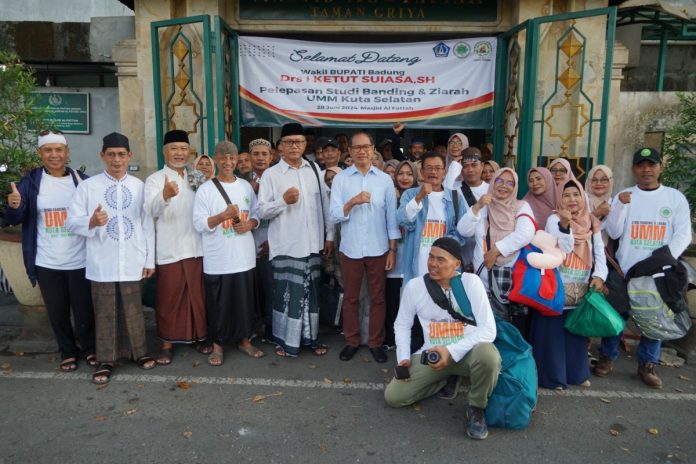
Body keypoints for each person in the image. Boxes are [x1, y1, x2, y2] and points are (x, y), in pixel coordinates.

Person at [593, 148, 692, 388]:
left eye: (651, 164)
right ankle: (607, 357)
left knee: (654, 319)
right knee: (616, 315)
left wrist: (664, 260)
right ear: (633, 169)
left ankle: (647, 364)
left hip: (659, 273)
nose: (646, 169)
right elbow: (614, 232)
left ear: (660, 167)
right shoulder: (625, 195)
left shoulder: (674, 198)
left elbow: (683, 234)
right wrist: (621, 207)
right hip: (626, 270)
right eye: (641, 165)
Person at [384, 237, 501, 440]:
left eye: (440, 259)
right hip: (432, 356)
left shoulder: (470, 283)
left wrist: (451, 351)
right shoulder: (415, 287)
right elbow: (402, 324)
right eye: (431, 257)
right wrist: (403, 357)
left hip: (467, 354)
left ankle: (476, 408)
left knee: (489, 356)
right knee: (394, 396)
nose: (433, 264)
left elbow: (489, 330)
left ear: (456, 264)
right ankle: (447, 377)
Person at [66, 132, 157, 384]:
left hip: (132, 258)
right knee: (105, 311)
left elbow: (147, 225)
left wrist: (150, 260)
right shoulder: (88, 187)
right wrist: (91, 221)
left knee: (133, 310)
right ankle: (106, 360)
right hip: (101, 260)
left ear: (130, 156)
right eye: (111, 155)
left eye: (121, 155)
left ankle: (139, 353)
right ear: (102, 156)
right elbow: (71, 222)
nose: (116, 160)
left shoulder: (139, 187)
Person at [5, 130, 95, 372]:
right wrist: (14, 206)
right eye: (48, 150)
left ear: (67, 152)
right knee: (58, 311)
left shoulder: (82, 180)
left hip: (81, 259)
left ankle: (88, 349)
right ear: (40, 154)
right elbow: (14, 218)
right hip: (47, 260)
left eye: (58, 150)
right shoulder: (30, 182)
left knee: (85, 309)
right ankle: (68, 351)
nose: (54, 155)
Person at [257, 123, 334, 358]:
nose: (294, 146)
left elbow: (326, 205)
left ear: (304, 145)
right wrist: (283, 201)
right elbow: (261, 212)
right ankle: (284, 340)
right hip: (287, 244)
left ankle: (311, 339)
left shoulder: (314, 170)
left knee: (311, 294)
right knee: (286, 294)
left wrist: (329, 236)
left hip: (312, 244)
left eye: (298, 142)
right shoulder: (271, 174)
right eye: (289, 142)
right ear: (280, 147)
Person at [330, 131, 400, 363]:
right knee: (351, 297)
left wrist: (392, 249)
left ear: (373, 150)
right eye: (357, 147)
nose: (362, 151)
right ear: (349, 151)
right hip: (350, 248)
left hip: (379, 248)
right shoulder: (341, 179)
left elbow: (391, 217)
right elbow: (334, 215)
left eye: (366, 147)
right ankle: (351, 341)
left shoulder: (384, 180)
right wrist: (352, 202)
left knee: (377, 298)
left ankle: (375, 342)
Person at [529, 178, 607, 390]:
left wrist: (599, 275)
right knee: (553, 334)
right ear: (559, 198)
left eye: (576, 195)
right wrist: (565, 225)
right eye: (566, 195)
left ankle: (577, 374)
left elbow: (599, 252)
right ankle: (553, 378)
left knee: (576, 333)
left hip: (580, 285)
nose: (572, 199)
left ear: (583, 197)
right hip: (557, 285)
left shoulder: (591, 221)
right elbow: (564, 246)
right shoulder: (554, 219)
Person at [193, 140, 263, 366]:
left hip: (244, 257)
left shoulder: (245, 186)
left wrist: (250, 224)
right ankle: (218, 346)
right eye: (223, 158)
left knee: (245, 303)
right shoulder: (205, 189)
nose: (228, 162)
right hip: (218, 259)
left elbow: (256, 214)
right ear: (215, 159)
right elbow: (199, 224)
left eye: (232, 158)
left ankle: (245, 341)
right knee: (218, 304)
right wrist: (222, 216)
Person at [144, 130, 207, 365]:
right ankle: (167, 343)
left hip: (196, 247)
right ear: (164, 152)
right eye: (174, 148)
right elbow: (149, 211)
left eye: (183, 149)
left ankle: (198, 337)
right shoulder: (154, 179)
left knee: (197, 297)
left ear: (189, 152)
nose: (179, 153)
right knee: (168, 299)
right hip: (169, 249)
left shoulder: (197, 177)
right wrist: (164, 195)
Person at [456, 168, 535, 332]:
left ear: (515, 187)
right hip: (482, 283)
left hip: (510, 283)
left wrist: (496, 250)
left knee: (510, 331)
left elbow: (526, 233)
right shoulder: (484, 207)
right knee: (484, 330)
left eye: (509, 183)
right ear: (492, 183)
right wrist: (477, 206)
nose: (503, 186)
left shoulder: (521, 206)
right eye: (499, 181)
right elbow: (463, 231)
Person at [397, 152, 467, 285]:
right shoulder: (410, 194)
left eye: (437, 168)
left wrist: (445, 246)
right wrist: (419, 197)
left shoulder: (455, 197)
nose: (433, 172)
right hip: (415, 267)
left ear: (444, 172)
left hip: (445, 268)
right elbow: (402, 220)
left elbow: (462, 232)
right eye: (429, 168)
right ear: (422, 172)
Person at [384, 160, 419, 351]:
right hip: (392, 259)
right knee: (392, 302)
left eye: (409, 174)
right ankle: (391, 339)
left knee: (412, 305)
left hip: (412, 259)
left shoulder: (421, 198)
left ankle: (412, 342)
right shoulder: (388, 198)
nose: (404, 177)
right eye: (401, 173)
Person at [444, 147, 488, 270]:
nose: (470, 170)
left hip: (484, 249)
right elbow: (442, 197)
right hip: (460, 247)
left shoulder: (492, 189)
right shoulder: (454, 188)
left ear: (482, 165)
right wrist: (453, 168)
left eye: (474, 165)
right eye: (465, 166)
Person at [248, 138, 274, 341]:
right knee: (251, 290)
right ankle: (253, 327)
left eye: (264, 154)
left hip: (272, 244)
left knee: (271, 288)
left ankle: (272, 329)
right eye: (256, 154)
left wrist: (272, 241)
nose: (260, 158)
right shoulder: (239, 181)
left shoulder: (278, 179)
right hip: (246, 246)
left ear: (271, 156)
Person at [585, 165, 614, 245]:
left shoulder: (615, 202)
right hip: (583, 249)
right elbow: (575, 225)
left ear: (610, 182)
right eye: (594, 180)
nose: (599, 183)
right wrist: (596, 213)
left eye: (604, 180)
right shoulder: (581, 200)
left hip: (605, 250)